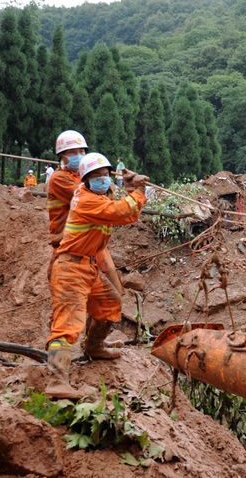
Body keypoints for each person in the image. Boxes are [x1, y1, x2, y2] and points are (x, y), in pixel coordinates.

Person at [46, 152, 148, 396]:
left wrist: (131, 185)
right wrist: (139, 191)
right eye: (97, 176)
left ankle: (94, 346)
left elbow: (128, 212)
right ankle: (57, 381)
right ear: (85, 179)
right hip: (70, 269)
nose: (103, 179)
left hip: (87, 266)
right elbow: (122, 212)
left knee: (109, 303)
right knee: (68, 324)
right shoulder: (87, 201)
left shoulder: (96, 195)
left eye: (105, 174)